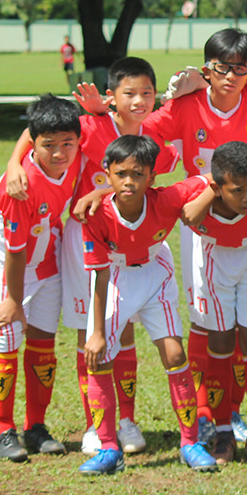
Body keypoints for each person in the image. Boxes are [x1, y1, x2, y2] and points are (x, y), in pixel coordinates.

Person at [5, 57, 178, 457]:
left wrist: (102, 193)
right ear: (111, 97)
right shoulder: (89, 125)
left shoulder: (155, 140)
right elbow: (39, 133)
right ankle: (94, 424)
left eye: (146, 94)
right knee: (91, 331)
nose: (138, 101)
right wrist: (15, 162)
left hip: (128, 238)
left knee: (126, 329)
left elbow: (147, 186)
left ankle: (128, 421)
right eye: (129, 94)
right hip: (83, 239)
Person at [147, 28, 247, 448]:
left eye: (240, 68)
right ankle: (205, 412)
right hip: (202, 226)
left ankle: (234, 412)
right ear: (207, 68)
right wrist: (176, 154)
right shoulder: (186, 105)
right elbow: (145, 138)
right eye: (221, 67)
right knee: (207, 324)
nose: (231, 75)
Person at [79, 134, 219, 474]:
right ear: (107, 174)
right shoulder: (96, 214)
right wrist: (96, 332)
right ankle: (109, 447)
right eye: (121, 174)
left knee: (174, 354)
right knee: (98, 358)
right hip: (114, 278)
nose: (129, 181)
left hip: (156, 271)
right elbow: (97, 275)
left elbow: (215, 175)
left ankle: (190, 443)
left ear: (152, 177)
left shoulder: (167, 198)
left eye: (138, 174)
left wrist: (213, 190)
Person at [0, 94, 81, 462]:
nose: (59, 152)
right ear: (34, 145)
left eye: (67, 143)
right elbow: (15, 251)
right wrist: (13, 300)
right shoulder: (19, 186)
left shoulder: (76, 153)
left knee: (42, 339)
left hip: (45, 245)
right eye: (47, 145)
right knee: (6, 334)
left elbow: (46, 128)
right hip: (4, 255)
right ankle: (4, 431)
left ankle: (35, 427)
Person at [182, 142, 247, 466]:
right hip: (216, 261)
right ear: (217, 187)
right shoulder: (200, 190)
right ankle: (223, 432)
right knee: (220, 343)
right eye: (237, 191)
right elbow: (185, 214)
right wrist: (210, 193)